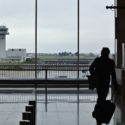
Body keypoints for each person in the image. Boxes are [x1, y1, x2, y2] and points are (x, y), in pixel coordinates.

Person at [89, 47, 119, 125]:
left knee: (100, 97)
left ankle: (98, 114)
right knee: (103, 97)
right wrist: (116, 86)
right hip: (106, 82)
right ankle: (100, 114)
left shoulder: (97, 60)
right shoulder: (111, 62)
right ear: (108, 53)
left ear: (102, 52)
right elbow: (113, 75)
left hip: (98, 82)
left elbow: (91, 69)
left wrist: (95, 74)